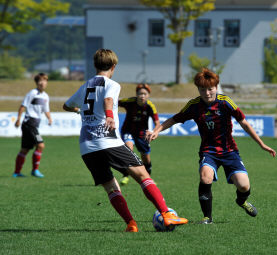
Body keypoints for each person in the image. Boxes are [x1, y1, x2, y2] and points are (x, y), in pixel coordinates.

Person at [63, 49, 188, 232]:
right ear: (113, 67)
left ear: (95, 65)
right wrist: (109, 116)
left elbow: (66, 105)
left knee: (111, 188)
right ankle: (166, 214)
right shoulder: (112, 84)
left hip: (87, 146)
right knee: (143, 175)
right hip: (107, 140)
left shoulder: (85, 86)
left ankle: (131, 224)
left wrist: (79, 111)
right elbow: (107, 99)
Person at [146, 68, 276, 224]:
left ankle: (241, 201)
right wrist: (156, 131)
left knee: (243, 185)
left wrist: (262, 144)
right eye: (203, 89)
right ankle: (207, 217)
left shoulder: (225, 102)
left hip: (229, 150)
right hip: (209, 151)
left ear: (216, 87)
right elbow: (174, 119)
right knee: (205, 177)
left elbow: (244, 123)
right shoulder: (194, 105)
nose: (207, 93)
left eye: (210, 89)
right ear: (198, 89)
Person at [118, 83, 160, 185]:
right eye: (140, 93)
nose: (142, 96)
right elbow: (113, 102)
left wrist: (154, 132)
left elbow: (157, 122)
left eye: (145, 94)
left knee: (145, 158)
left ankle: (148, 179)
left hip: (142, 134)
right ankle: (126, 176)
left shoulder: (150, 106)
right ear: (136, 94)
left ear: (148, 95)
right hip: (128, 131)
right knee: (129, 151)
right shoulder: (129, 102)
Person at [13, 73, 52, 178]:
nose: (42, 83)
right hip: (29, 123)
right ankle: (35, 171)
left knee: (25, 149)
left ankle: (16, 172)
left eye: (44, 80)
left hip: (33, 124)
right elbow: (23, 106)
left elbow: (46, 110)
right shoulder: (32, 93)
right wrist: (18, 119)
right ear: (36, 83)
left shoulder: (45, 96)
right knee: (40, 145)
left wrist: (49, 118)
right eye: (40, 81)